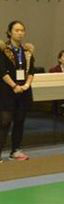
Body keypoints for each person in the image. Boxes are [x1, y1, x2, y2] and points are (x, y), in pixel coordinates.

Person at [0, 21, 35, 162]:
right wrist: (14, 86)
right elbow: (2, 71)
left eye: (22, 30)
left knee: (20, 121)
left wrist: (26, 85)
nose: (20, 33)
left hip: (23, 91)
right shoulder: (3, 50)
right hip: (7, 91)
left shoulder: (26, 51)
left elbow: (31, 71)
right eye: (16, 30)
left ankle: (15, 151)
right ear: (9, 32)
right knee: (4, 122)